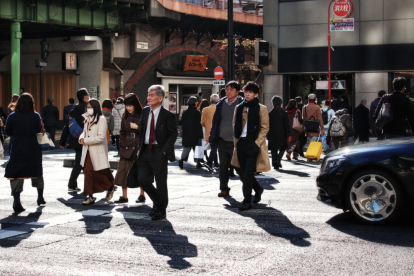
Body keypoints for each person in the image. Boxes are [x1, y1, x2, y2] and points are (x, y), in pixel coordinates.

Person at [136, 85, 178, 220]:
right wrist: (139, 148)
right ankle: (158, 201)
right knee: (142, 179)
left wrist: (165, 150)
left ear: (160, 98)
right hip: (145, 150)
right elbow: (142, 131)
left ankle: (161, 209)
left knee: (161, 182)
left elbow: (173, 134)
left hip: (159, 151)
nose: (148, 97)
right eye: (148, 95)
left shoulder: (168, 115)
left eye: (152, 95)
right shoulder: (145, 111)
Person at [231, 81, 270, 211]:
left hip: (253, 143)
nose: (247, 94)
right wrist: (236, 141)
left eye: (250, 92)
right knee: (241, 172)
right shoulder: (239, 107)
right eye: (246, 92)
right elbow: (234, 124)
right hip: (241, 142)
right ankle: (258, 188)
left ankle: (247, 200)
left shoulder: (261, 108)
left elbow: (265, 127)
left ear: (256, 94)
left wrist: (257, 143)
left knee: (248, 172)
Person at [4, 93, 46, 212]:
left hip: (17, 148)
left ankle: (17, 201)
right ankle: (40, 197)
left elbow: (8, 131)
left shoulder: (12, 116)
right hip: (33, 148)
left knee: (16, 174)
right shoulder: (35, 116)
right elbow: (38, 130)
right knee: (37, 172)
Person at [209, 81, 244, 197]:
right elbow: (216, 121)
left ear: (237, 92)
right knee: (223, 167)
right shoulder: (220, 103)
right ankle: (224, 188)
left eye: (231, 89)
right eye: (227, 89)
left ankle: (252, 187)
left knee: (240, 168)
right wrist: (213, 136)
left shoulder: (242, 103)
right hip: (223, 140)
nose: (228, 92)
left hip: (238, 141)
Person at [79, 99, 115, 205]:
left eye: (90, 107)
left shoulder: (101, 119)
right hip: (87, 150)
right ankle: (90, 196)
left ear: (95, 107)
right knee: (88, 172)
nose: (88, 109)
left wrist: (86, 140)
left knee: (98, 173)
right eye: (87, 107)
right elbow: (84, 132)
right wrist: (81, 138)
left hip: (97, 150)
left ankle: (109, 187)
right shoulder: (87, 118)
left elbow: (101, 137)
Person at [113, 93, 146, 204]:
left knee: (140, 173)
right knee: (123, 172)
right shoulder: (125, 115)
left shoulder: (142, 115)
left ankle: (142, 195)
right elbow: (122, 131)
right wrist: (121, 144)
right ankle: (124, 196)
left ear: (135, 104)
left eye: (130, 105)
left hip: (137, 147)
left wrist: (137, 127)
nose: (128, 107)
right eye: (127, 105)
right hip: (126, 147)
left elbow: (147, 132)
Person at [59, 88, 89, 192]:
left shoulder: (73, 110)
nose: (88, 97)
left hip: (75, 139)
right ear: (84, 97)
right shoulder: (87, 109)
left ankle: (73, 184)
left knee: (80, 161)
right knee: (81, 163)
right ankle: (72, 184)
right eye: (88, 95)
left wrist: (62, 141)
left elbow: (67, 126)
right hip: (86, 139)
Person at [179, 96, 203, 169]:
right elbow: (199, 124)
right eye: (196, 102)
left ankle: (182, 159)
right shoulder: (197, 113)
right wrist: (200, 134)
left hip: (187, 133)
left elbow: (181, 122)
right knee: (197, 148)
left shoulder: (185, 112)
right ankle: (198, 162)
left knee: (187, 147)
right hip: (195, 133)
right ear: (195, 103)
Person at [267, 96, 291, 169]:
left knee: (273, 149)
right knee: (283, 147)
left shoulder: (270, 113)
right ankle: (278, 160)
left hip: (272, 133)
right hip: (282, 133)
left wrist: (267, 135)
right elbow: (287, 125)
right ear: (281, 103)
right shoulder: (283, 113)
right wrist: (289, 134)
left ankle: (275, 163)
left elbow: (267, 125)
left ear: (273, 103)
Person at [201, 94, 220, 171]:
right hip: (218, 131)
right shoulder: (220, 108)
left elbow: (202, 122)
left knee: (213, 147)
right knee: (215, 147)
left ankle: (215, 164)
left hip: (209, 131)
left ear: (210, 101)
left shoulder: (205, 109)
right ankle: (212, 163)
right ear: (218, 100)